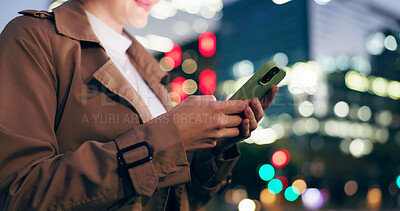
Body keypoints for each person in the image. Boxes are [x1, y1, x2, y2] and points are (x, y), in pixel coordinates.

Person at [0, 0, 279, 210]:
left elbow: (176, 198)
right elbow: (17, 193)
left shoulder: (146, 68)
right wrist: (172, 136)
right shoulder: (33, 38)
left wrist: (215, 147)